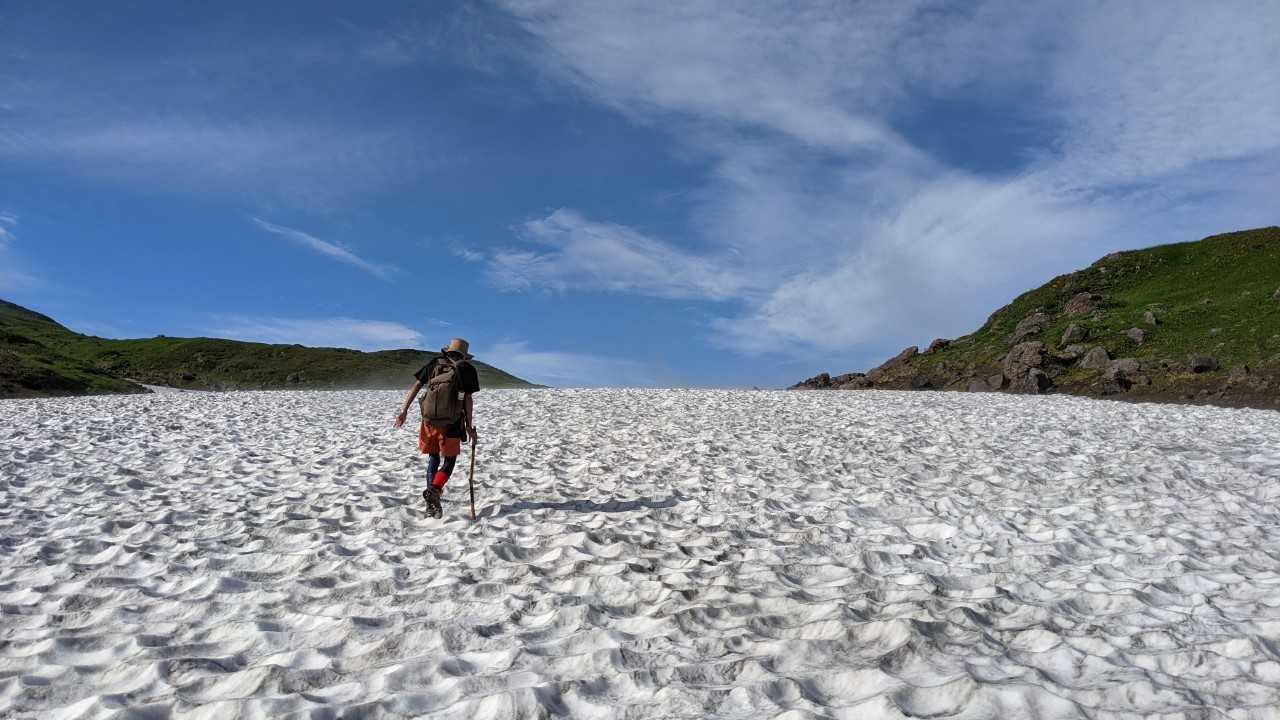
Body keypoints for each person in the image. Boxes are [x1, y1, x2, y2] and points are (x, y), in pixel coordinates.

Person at [394, 338, 480, 518]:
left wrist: (404, 411)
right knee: (449, 461)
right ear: (464, 355)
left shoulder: (435, 363)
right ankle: (435, 489)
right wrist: (469, 426)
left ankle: (430, 505)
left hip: (429, 421)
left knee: (433, 458)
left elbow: (417, 385)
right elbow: (467, 399)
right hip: (452, 423)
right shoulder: (467, 369)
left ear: (448, 351)